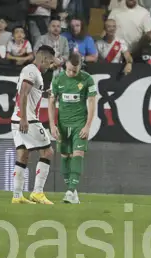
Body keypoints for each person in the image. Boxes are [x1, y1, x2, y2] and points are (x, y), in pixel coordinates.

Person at [49, 52, 98, 205]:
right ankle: (73, 191)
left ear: (79, 67)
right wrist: (52, 124)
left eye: (74, 71)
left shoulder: (87, 79)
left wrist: (88, 125)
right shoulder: (57, 79)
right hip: (63, 124)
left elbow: (91, 102)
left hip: (79, 124)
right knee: (65, 156)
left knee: (78, 153)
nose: (71, 73)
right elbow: (51, 102)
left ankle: (70, 191)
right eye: (69, 70)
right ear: (66, 65)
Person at [11, 46, 57, 205]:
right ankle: (38, 192)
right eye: (49, 62)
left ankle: (17, 196)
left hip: (16, 119)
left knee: (23, 155)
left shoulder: (33, 72)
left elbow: (30, 92)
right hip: (27, 120)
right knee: (48, 151)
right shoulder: (31, 70)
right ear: (43, 59)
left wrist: (44, 94)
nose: (49, 66)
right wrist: (24, 118)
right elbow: (23, 93)